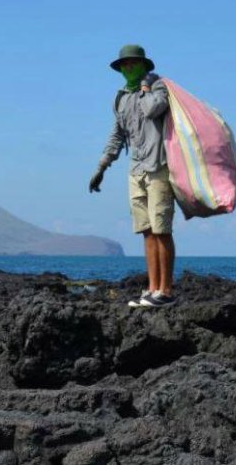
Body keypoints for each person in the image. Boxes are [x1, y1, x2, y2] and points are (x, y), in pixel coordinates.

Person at [89, 44, 178, 308]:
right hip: (136, 169)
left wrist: (147, 87)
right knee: (147, 231)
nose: (128, 68)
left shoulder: (159, 87)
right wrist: (102, 167)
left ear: (143, 65)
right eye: (124, 65)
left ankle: (166, 291)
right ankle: (152, 289)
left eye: (133, 64)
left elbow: (154, 109)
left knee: (162, 229)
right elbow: (117, 135)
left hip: (158, 166)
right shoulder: (120, 98)